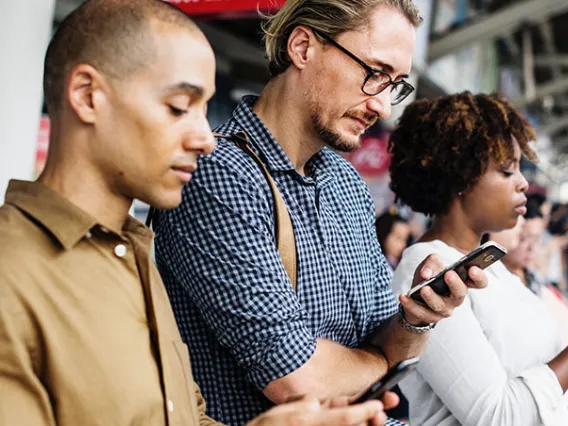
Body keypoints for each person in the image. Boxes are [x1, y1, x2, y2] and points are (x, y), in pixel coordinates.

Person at [0, 1, 395, 425]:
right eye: (178, 107)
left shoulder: (132, 255)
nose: (206, 138)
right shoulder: (14, 273)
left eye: (204, 110)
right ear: (87, 96)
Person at [153, 1, 488, 425]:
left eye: (396, 84)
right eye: (374, 73)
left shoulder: (346, 185)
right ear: (302, 47)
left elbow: (389, 345)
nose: (382, 106)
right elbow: (295, 378)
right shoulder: (220, 174)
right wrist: (381, 357)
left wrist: (415, 321)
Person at [388, 92, 568, 425]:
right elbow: (497, 416)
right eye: (506, 171)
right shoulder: (428, 269)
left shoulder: (489, 266)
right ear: (461, 176)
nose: (523, 183)